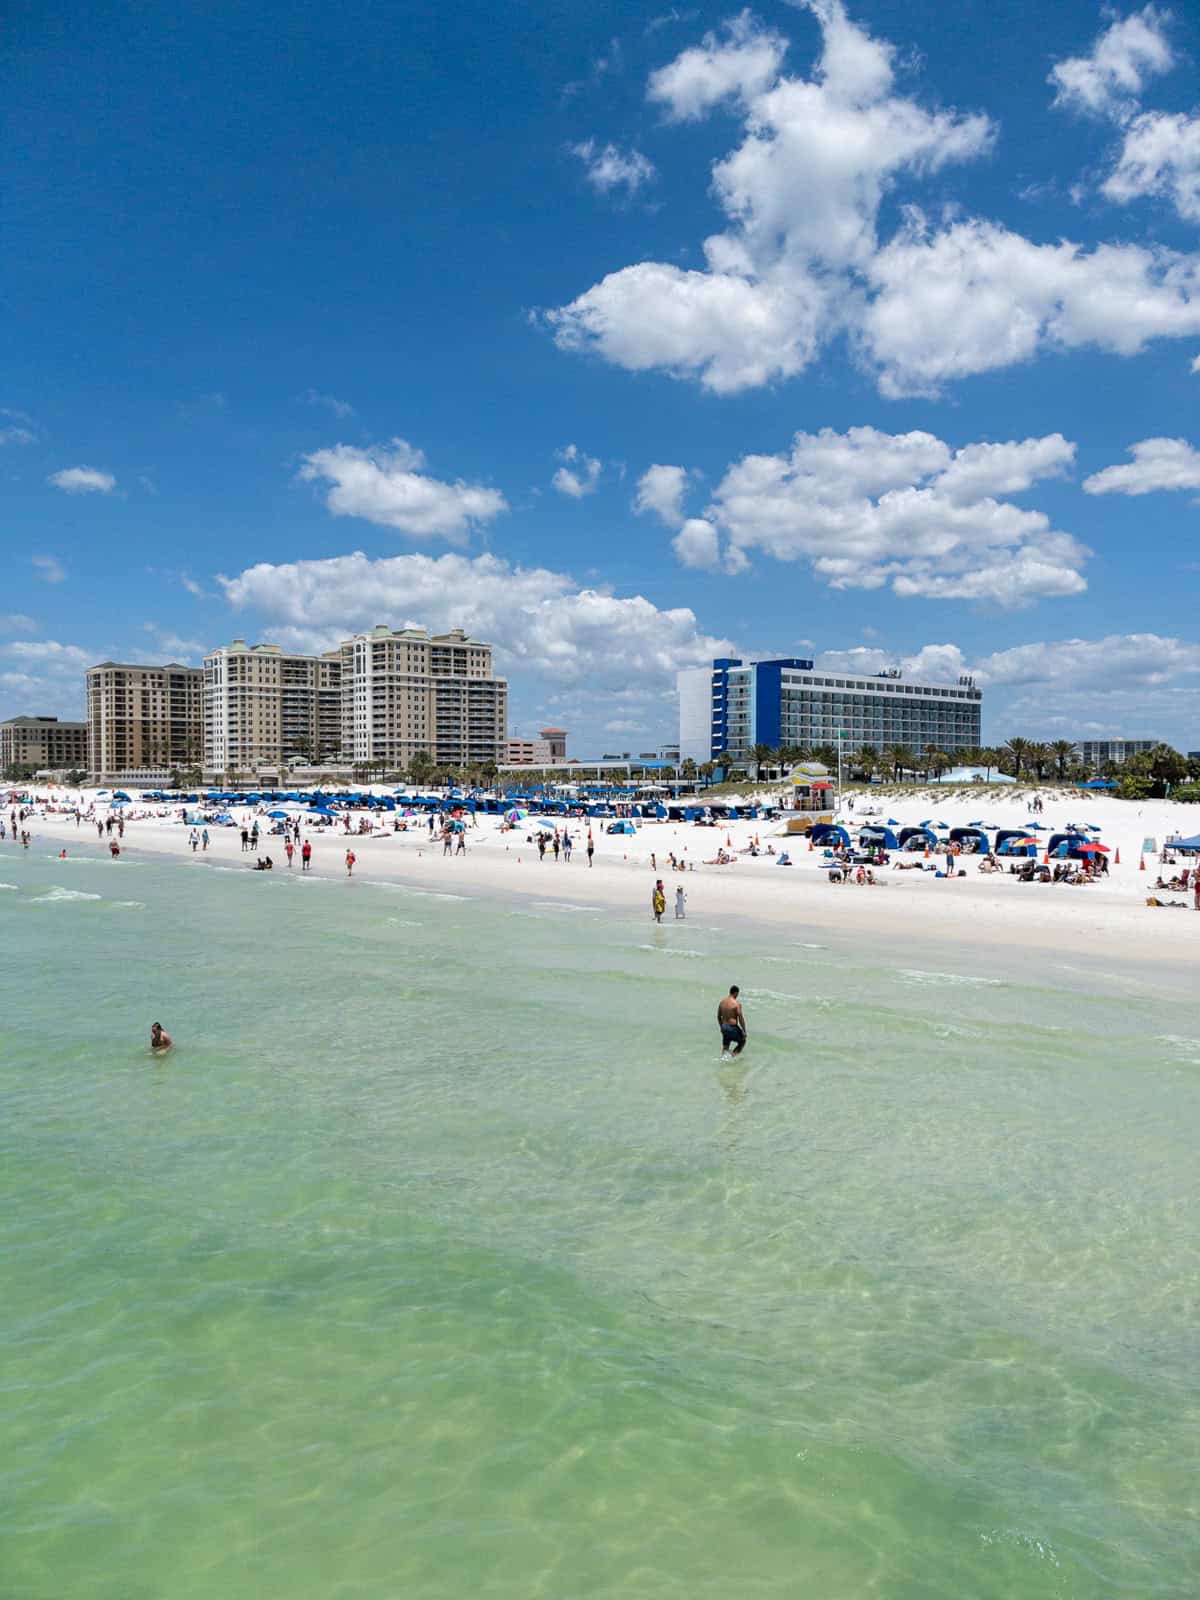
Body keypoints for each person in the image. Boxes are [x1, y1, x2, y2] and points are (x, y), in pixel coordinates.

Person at [717, 986, 747, 1057]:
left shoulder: (722, 1002)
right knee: (742, 1041)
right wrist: (744, 1031)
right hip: (732, 1027)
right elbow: (740, 1017)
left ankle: (723, 1059)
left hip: (724, 1027)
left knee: (725, 1047)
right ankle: (733, 1056)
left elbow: (718, 1016)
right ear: (736, 993)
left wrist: (721, 1027)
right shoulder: (736, 1004)